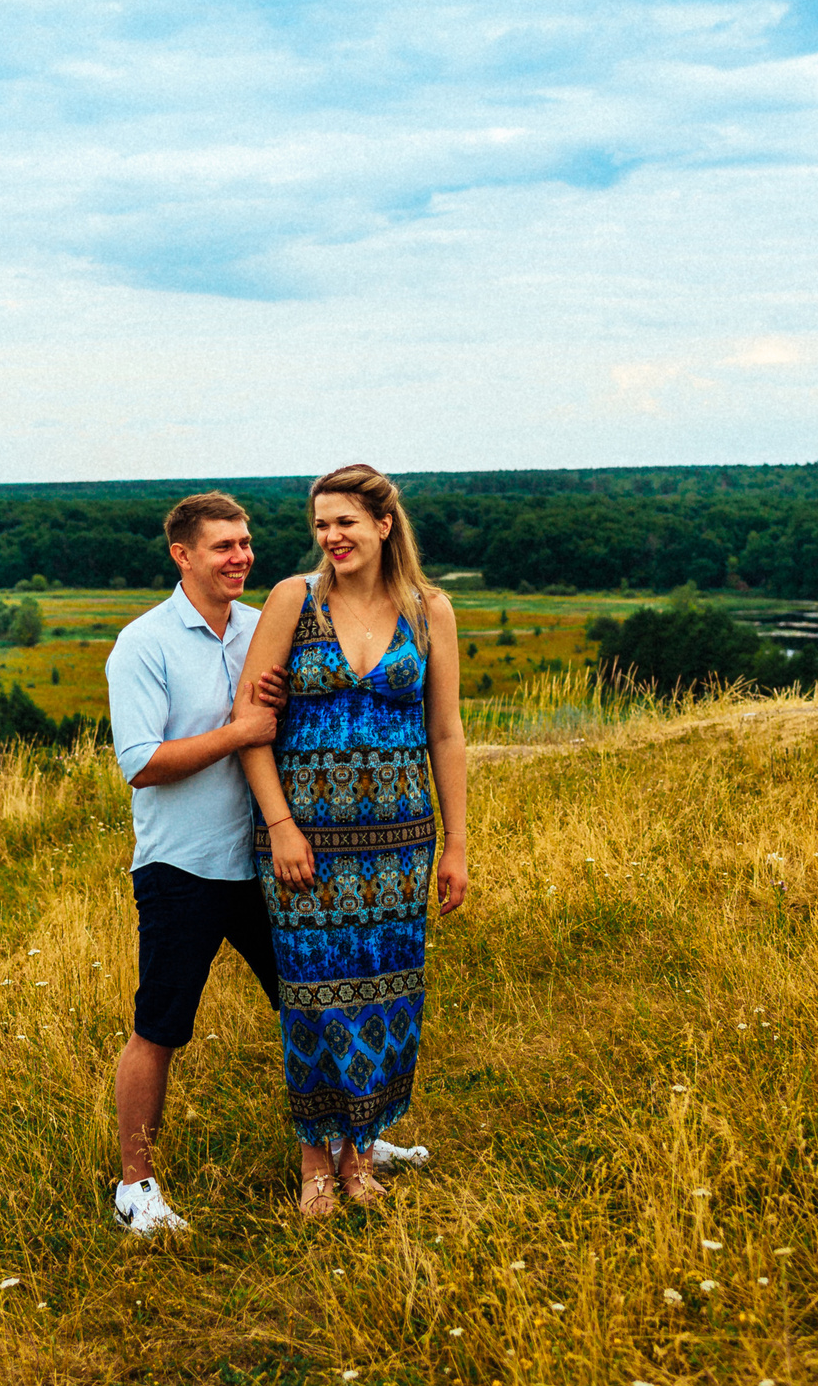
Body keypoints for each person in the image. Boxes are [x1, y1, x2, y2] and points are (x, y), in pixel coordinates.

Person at [103, 490, 428, 1237]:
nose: (241, 556)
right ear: (182, 555)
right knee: (161, 1024)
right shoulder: (144, 644)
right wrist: (241, 728)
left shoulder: (266, 624)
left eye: (246, 542)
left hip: (270, 867)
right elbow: (142, 763)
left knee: (321, 1002)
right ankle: (136, 1186)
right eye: (223, 546)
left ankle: (359, 1138)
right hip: (183, 867)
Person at [234, 463, 469, 1217]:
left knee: (387, 993)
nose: (331, 537)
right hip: (304, 843)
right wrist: (280, 826)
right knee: (311, 996)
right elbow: (250, 723)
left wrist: (457, 844)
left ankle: (361, 1153)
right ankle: (314, 1160)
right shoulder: (292, 600)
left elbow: (445, 729)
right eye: (321, 524)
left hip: (401, 845)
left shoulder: (430, 611)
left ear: (383, 525)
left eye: (345, 522)